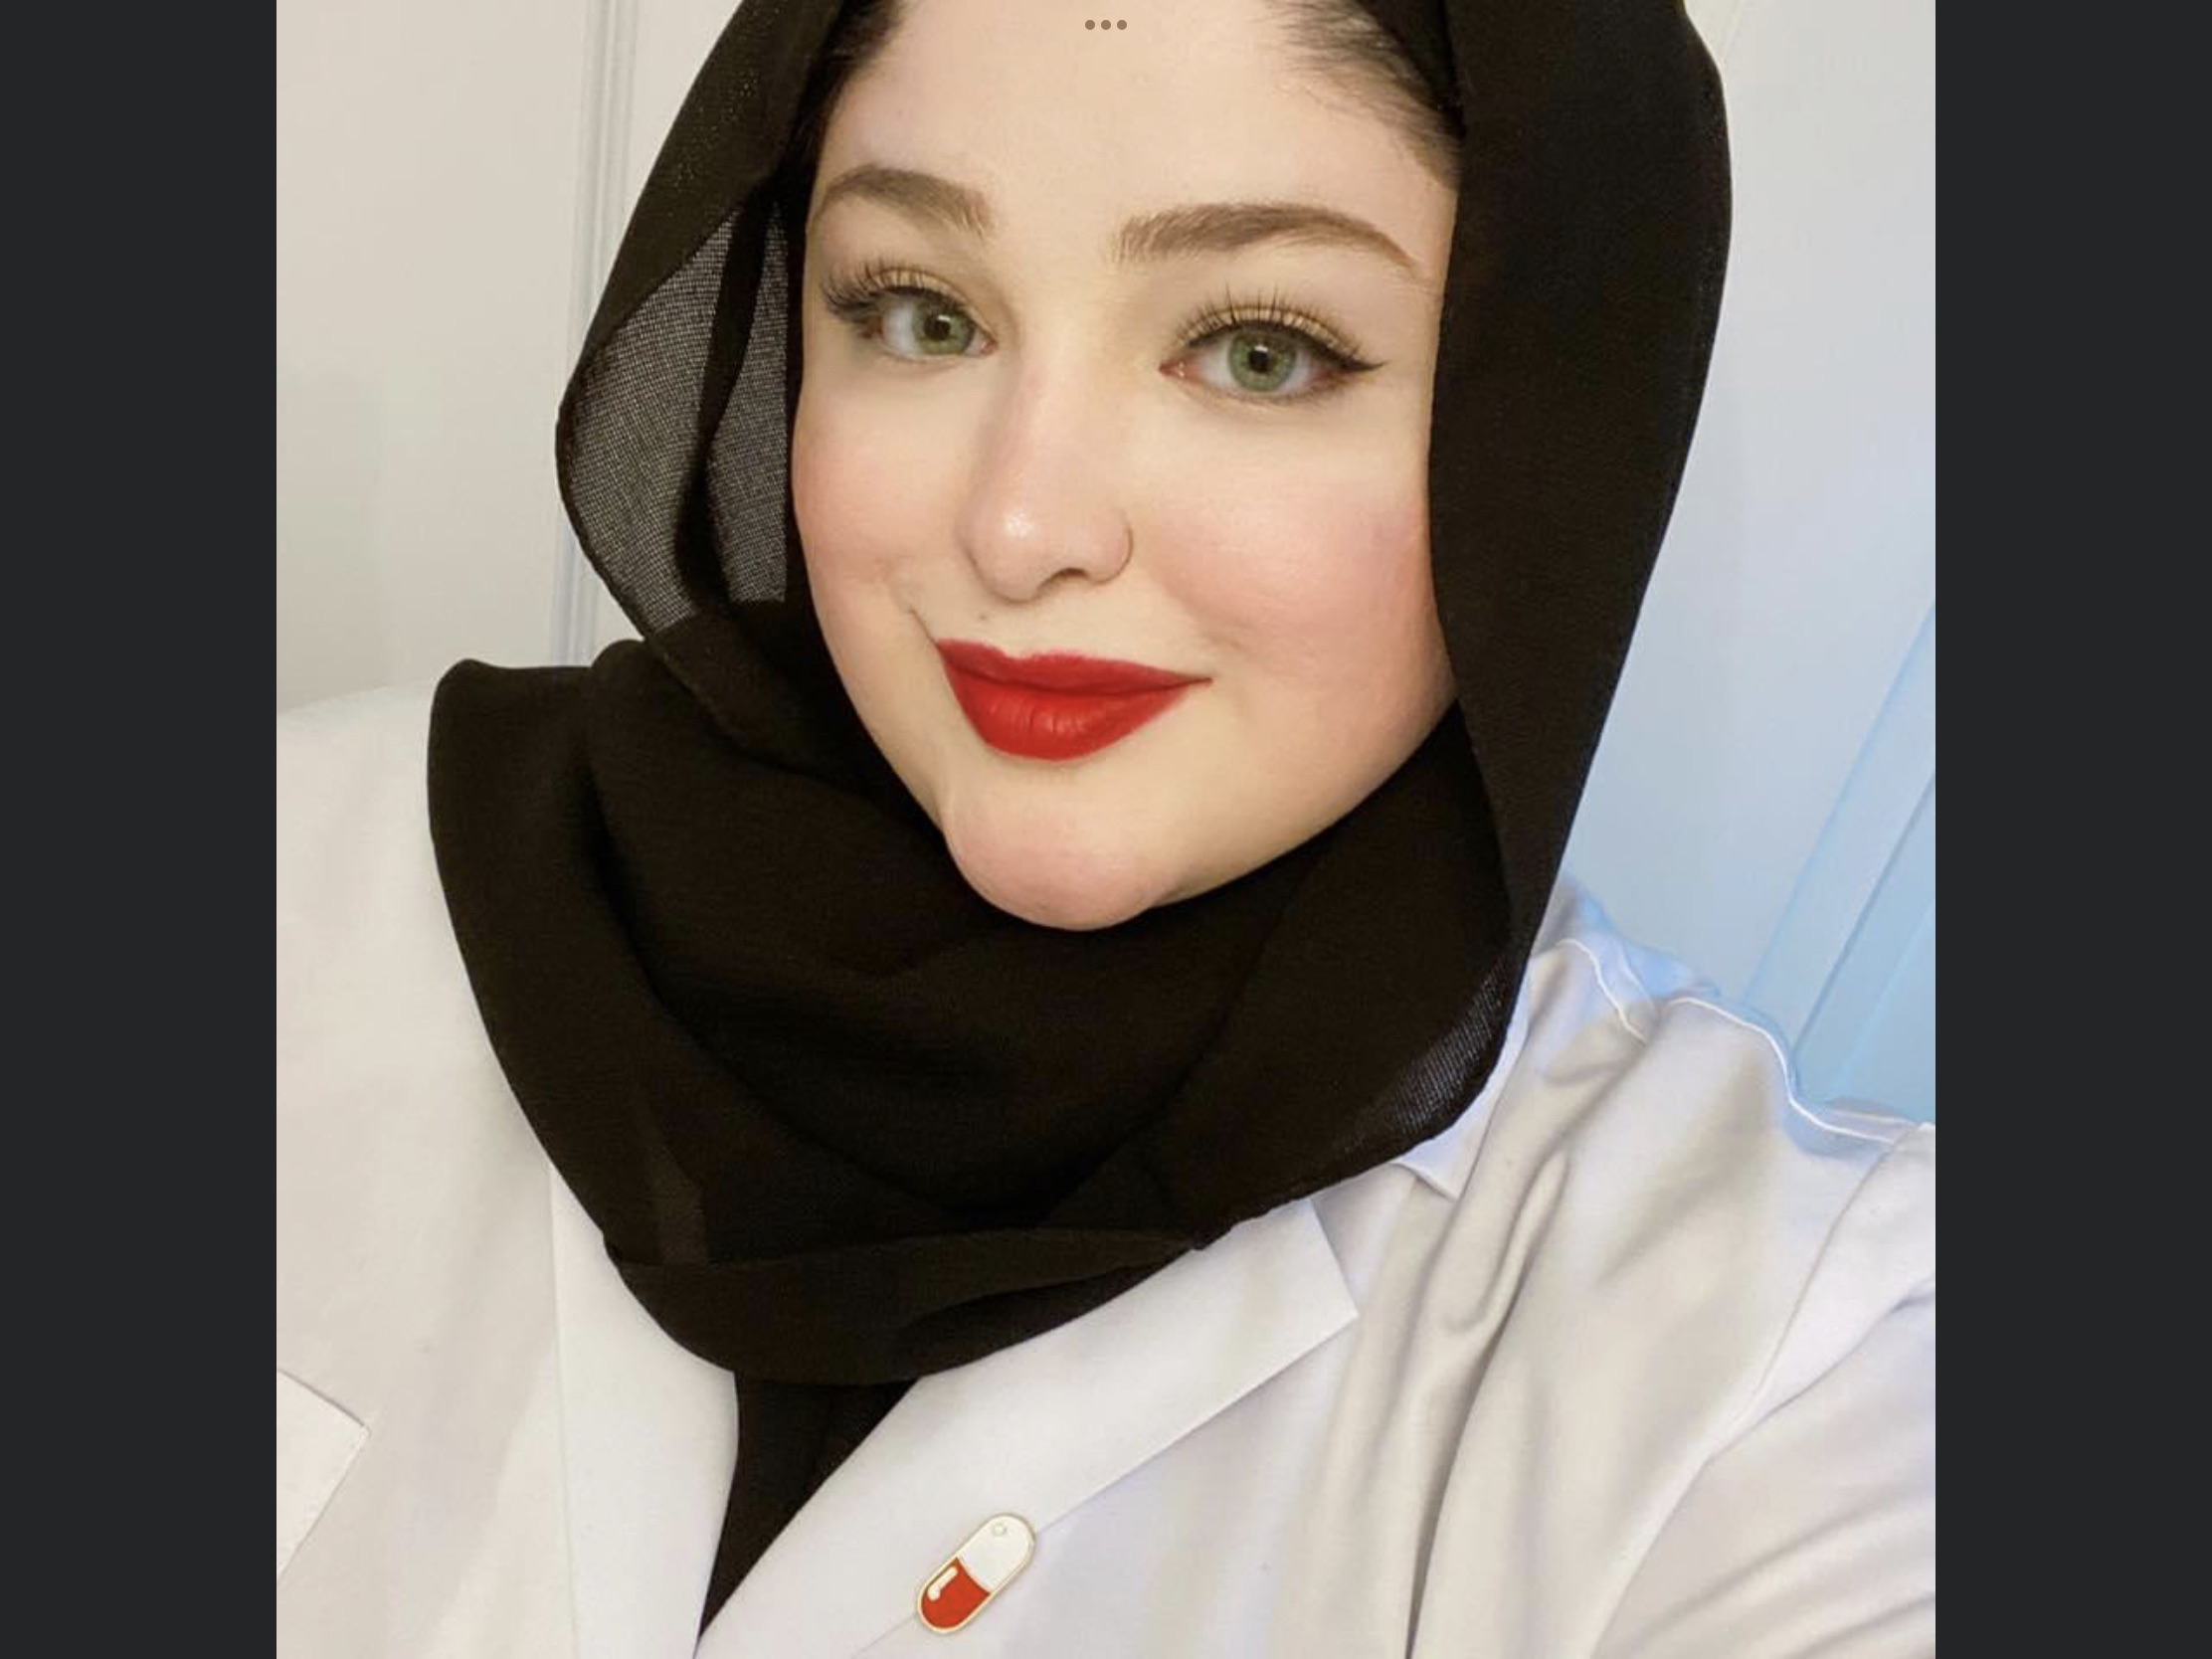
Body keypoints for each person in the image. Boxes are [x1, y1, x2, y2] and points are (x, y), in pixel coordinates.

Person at [276, 0, 1934, 1654]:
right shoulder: (305, 868)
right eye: (920, 314)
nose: (1020, 526)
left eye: (1261, 351)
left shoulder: (1779, 1335)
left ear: (1546, 432)